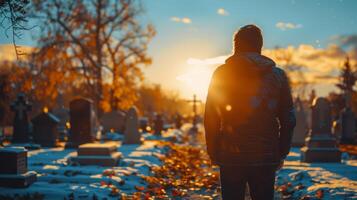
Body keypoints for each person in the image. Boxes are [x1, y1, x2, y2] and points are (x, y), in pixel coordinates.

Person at [204, 24, 296, 200]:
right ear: (259, 47)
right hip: (266, 155)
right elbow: (289, 118)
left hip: (231, 155)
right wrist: (280, 152)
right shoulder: (278, 76)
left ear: (236, 47)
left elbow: (211, 116)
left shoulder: (221, 74)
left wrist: (213, 151)